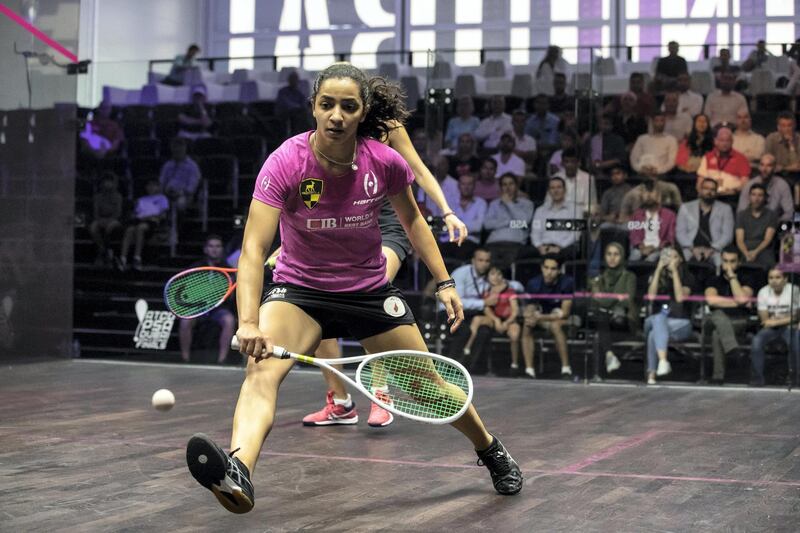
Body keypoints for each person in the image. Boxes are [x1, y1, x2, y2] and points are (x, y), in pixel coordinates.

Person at [185, 64, 523, 514]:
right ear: (314, 108)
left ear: (364, 113)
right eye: (327, 105)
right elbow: (253, 248)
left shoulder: (382, 161)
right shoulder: (285, 162)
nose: (336, 116)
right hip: (300, 290)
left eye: (348, 106)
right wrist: (249, 322)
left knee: (428, 389)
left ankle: (488, 447)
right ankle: (239, 468)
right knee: (260, 370)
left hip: (367, 290)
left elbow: (412, 223)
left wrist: (444, 281)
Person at [179, 235, 237, 364]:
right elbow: (188, 293)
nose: (214, 249)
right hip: (197, 307)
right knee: (185, 322)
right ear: (205, 249)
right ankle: (185, 358)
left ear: (222, 249)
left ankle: (222, 359)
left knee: (229, 320)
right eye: (211, 246)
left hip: (218, 309)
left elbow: (230, 297)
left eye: (218, 246)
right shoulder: (196, 267)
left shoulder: (227, 269)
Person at [643, 247, 696, 384]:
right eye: (667, 256)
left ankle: (652, 375)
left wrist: (675, 274)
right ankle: (662, 361)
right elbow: (650, 296)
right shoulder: (656, 275)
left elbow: (679, 298)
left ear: (680, 260)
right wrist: (659, 269)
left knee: (653, 335)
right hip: (654, 320)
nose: (670, 259)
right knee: (659, 318)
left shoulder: (688, 277)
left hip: (680, 323)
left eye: (674, 257)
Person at [702, 247, 754, 385]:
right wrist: (737, 303)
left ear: (739, 262)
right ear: (721, 261)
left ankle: (718, 378)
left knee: (716, 334)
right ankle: (732, 349)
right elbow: (712, 301)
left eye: (732, 261)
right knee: (718, 314)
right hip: (714, 319)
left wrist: (732, 277)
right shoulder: (713, 279)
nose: (728, 265)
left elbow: (742, 299)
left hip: (738, 321)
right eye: (725, 261)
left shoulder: (747, 279)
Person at [521, 255, 575, 379]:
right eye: (546, 268)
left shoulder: (567, 282)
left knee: (555, 325)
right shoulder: (533, 283)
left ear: (559, 270)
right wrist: (530, 315)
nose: (549, 272)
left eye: (553, 269)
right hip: (544, 318)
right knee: (528, 323)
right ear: (541, 268)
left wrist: (540, 317)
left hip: (568, 319)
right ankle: (529, 370)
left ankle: (566, 369)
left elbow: (565, 313)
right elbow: (530, 306)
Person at [590, 242, 637, 375]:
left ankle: (605, 364)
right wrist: (617, 297)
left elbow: (628, 301)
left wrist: (605, 300)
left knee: (600, 323)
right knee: (600, 320)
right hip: (604, 321)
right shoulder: (599, 278)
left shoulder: (629, 277)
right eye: (609, 254)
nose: (612, 258)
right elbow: (595, 299)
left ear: (622, 256)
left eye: (616, 254)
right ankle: (610, 356)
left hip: (623, 320)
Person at [463, 267, 521, 374]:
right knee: (477, 319)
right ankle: (467, 348)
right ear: (488, 277)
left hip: (508, 321)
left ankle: (515, 364)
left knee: (515, 334)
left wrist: (506, 322)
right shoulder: (487, 291)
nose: (496, 277)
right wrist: (496, 320)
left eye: (499, 274)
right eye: (493, 274)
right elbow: (486, 308)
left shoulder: (509, 290)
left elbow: (515, 310)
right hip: (494, 320)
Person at [750, 267, 800, 387]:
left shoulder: (794, 291)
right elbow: (765, 321)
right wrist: (788, 318)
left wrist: (778, 321)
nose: (774, 281)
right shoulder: (763, 292)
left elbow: (797, 318)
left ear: (785, 279)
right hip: (771, 329)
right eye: (771, 278)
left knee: (795, 343)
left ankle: (795, 379)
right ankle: (758, 379)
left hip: (790, 328)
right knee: (756, 341)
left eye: (778, 277)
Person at [676, 178, 735, 267]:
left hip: (715, 249)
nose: (709, 192)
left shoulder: (725, 209)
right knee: (679, 261)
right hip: (690, 248)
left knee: (720, 262)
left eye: (712, 190)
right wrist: (693, 249)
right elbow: (680, 232)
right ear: (700, 190)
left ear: (716, 192)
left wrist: (712, 249)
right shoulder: (686, 207)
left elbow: (727, 236)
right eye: (706, 188)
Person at [483, 174, 534, 270]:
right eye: (504, 184)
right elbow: (487, 225)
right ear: (501, 187)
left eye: (511, 184)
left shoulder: (527, 204)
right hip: (493, 243)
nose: (508, 187)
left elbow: (524, 222)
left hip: (514, 244)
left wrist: (508, 203)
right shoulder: (494, 204)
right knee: (488, 268)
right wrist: (510, 223)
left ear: (517, 186)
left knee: (507, 269)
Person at [117, 179, 169, 271]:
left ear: (158, 187)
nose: (151, 188)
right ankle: (123, 259)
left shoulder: (162, 198)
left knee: (140, 228)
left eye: (154, 185)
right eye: (149, 185)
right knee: (129, 230)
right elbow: (135, 213)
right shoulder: (141, 199)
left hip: (153, 221)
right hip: (139, 220)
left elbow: (163, 215)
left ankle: (137, 258)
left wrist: (149, 217)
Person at [530, 177, 580, 262]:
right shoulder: (540, 210)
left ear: (565, 190)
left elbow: (575, 234)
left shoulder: (575, 209)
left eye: (559, 187)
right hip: (544, 247)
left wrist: (560, 247)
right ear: (549, 191)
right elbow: (535, 232)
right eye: (552, 188)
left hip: (564, 248)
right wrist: (539, 247)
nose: (556, 191)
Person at [440, 174, 487, 260]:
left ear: (474, 186)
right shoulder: (449, 203)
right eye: (463, 184)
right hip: (449, 241)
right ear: (458, 186)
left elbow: (478, 227)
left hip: (469, 242)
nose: (466, 187)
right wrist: (466, 225)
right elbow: (443, 225)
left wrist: (455, 224)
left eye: (469, 184)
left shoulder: (480, 203)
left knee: (463, 252)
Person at [696, 126, 751, 198]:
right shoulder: (707, 157)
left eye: (727, 140)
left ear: (732, 142)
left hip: (732, 197)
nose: (725, 144)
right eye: (722, 140)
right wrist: (702, 193)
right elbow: (700, 181)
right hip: (710, 196)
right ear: (716, 141)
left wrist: (734, 191)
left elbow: (745, 183)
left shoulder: (741, 158)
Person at [738, 154, 794, 221]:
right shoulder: (750, 185)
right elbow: (741, 211)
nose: (764, 169)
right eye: (762, 165)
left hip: (775, 224)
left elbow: (789, 212)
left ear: (775, 168)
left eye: (769, 166)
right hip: (752, 225)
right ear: (759, 167)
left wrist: (775, 224)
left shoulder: (782, 185)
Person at [628, 186, 676, 262]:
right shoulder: (637, 215)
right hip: (641, 248)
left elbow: (670, 238)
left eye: (651, 192)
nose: (648, 195)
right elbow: (633, 234)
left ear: (659, 196)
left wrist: (654, 248)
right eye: (645, 193)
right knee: (635, 256)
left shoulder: (669, 215)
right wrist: (642, 247)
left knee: (652, 258)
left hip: (660, 249)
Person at [735, 183, 778, 268]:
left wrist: (755, 252)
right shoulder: (741, 215)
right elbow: (739, 240)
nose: (756, 198)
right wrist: (746, 254)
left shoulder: (771, 215)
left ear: (765, 197)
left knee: (768, 265)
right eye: (753, 195)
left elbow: (767, 239)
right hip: (745, 249)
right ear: (749, 197)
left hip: (763, 249)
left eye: (760, 195)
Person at [550, 148, 598, 217]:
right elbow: (549, 202)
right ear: (562, 163)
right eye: (566, 162)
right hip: (558, 215)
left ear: (579, 163)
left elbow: (592, 205)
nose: (569, 165)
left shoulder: (588, 179)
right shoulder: (555, 177)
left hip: (580, 216)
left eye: (573, 162)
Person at [630, 111, 678, 177]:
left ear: (665, 123)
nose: (659, 123)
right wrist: (640, 170)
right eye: (656, 120)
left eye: (662, 121)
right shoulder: (642, 139)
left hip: (661, 175)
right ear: (652, 122)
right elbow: (634, 158)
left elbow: (672, 162)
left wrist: (658, 171)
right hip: (642, 174)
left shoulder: (671, 140)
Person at [159, 137, 201, 212]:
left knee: (180, 204)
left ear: (184, 148)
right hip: (168, 193)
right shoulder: (167, 165)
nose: (177, 150)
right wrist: (164, 191)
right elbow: (162, 182)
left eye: (179, 147)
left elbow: (192, 186)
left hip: (184, 195)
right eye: (175, 147)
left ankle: (178, 222)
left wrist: (180, 193)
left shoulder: (192, 166)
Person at [89, 174, 123, 267]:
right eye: (105, 181)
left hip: (114, 219)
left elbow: (118, 213)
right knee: (93, 227)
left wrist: (109, 220)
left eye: (110, 181)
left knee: (110, 227)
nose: (107, 184)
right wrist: (100, 220)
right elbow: (95, 212)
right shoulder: (97, 197)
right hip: (100, 219)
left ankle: (108, 253)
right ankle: (102, 250)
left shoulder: (118, 196)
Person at [584, 113, 627, 179]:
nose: (603, 126)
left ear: (611, 125)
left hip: (613, 176)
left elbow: (619, 160)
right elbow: (588, 162)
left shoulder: (618, 140)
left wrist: (599, 165)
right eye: (601, 123)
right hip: (593, 176)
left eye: (606, 123)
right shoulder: (591, 140)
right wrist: (597, 167)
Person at [764, 111, 800, 186]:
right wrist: (789, 167)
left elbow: (797, 167)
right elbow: (768, 163)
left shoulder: (799, 139)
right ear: (778, 127)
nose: (786, 129)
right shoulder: (771, 139)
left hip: (795, 177)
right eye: (783, 126)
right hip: (775, 176)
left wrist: (791, 145)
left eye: (789, 125)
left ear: (794, 126)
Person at [275, 70, 312, 136]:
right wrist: (297, 107)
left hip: (297, 112)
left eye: (295, 79)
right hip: (285, 113)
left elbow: (303, 102)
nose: (294, 81)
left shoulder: (299, 92)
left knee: (307, 113)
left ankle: (308, 133)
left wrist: (302, 107)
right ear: (289, 80)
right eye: (292, 79)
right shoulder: (283, 91)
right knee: (300, 114)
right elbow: (285, 103)